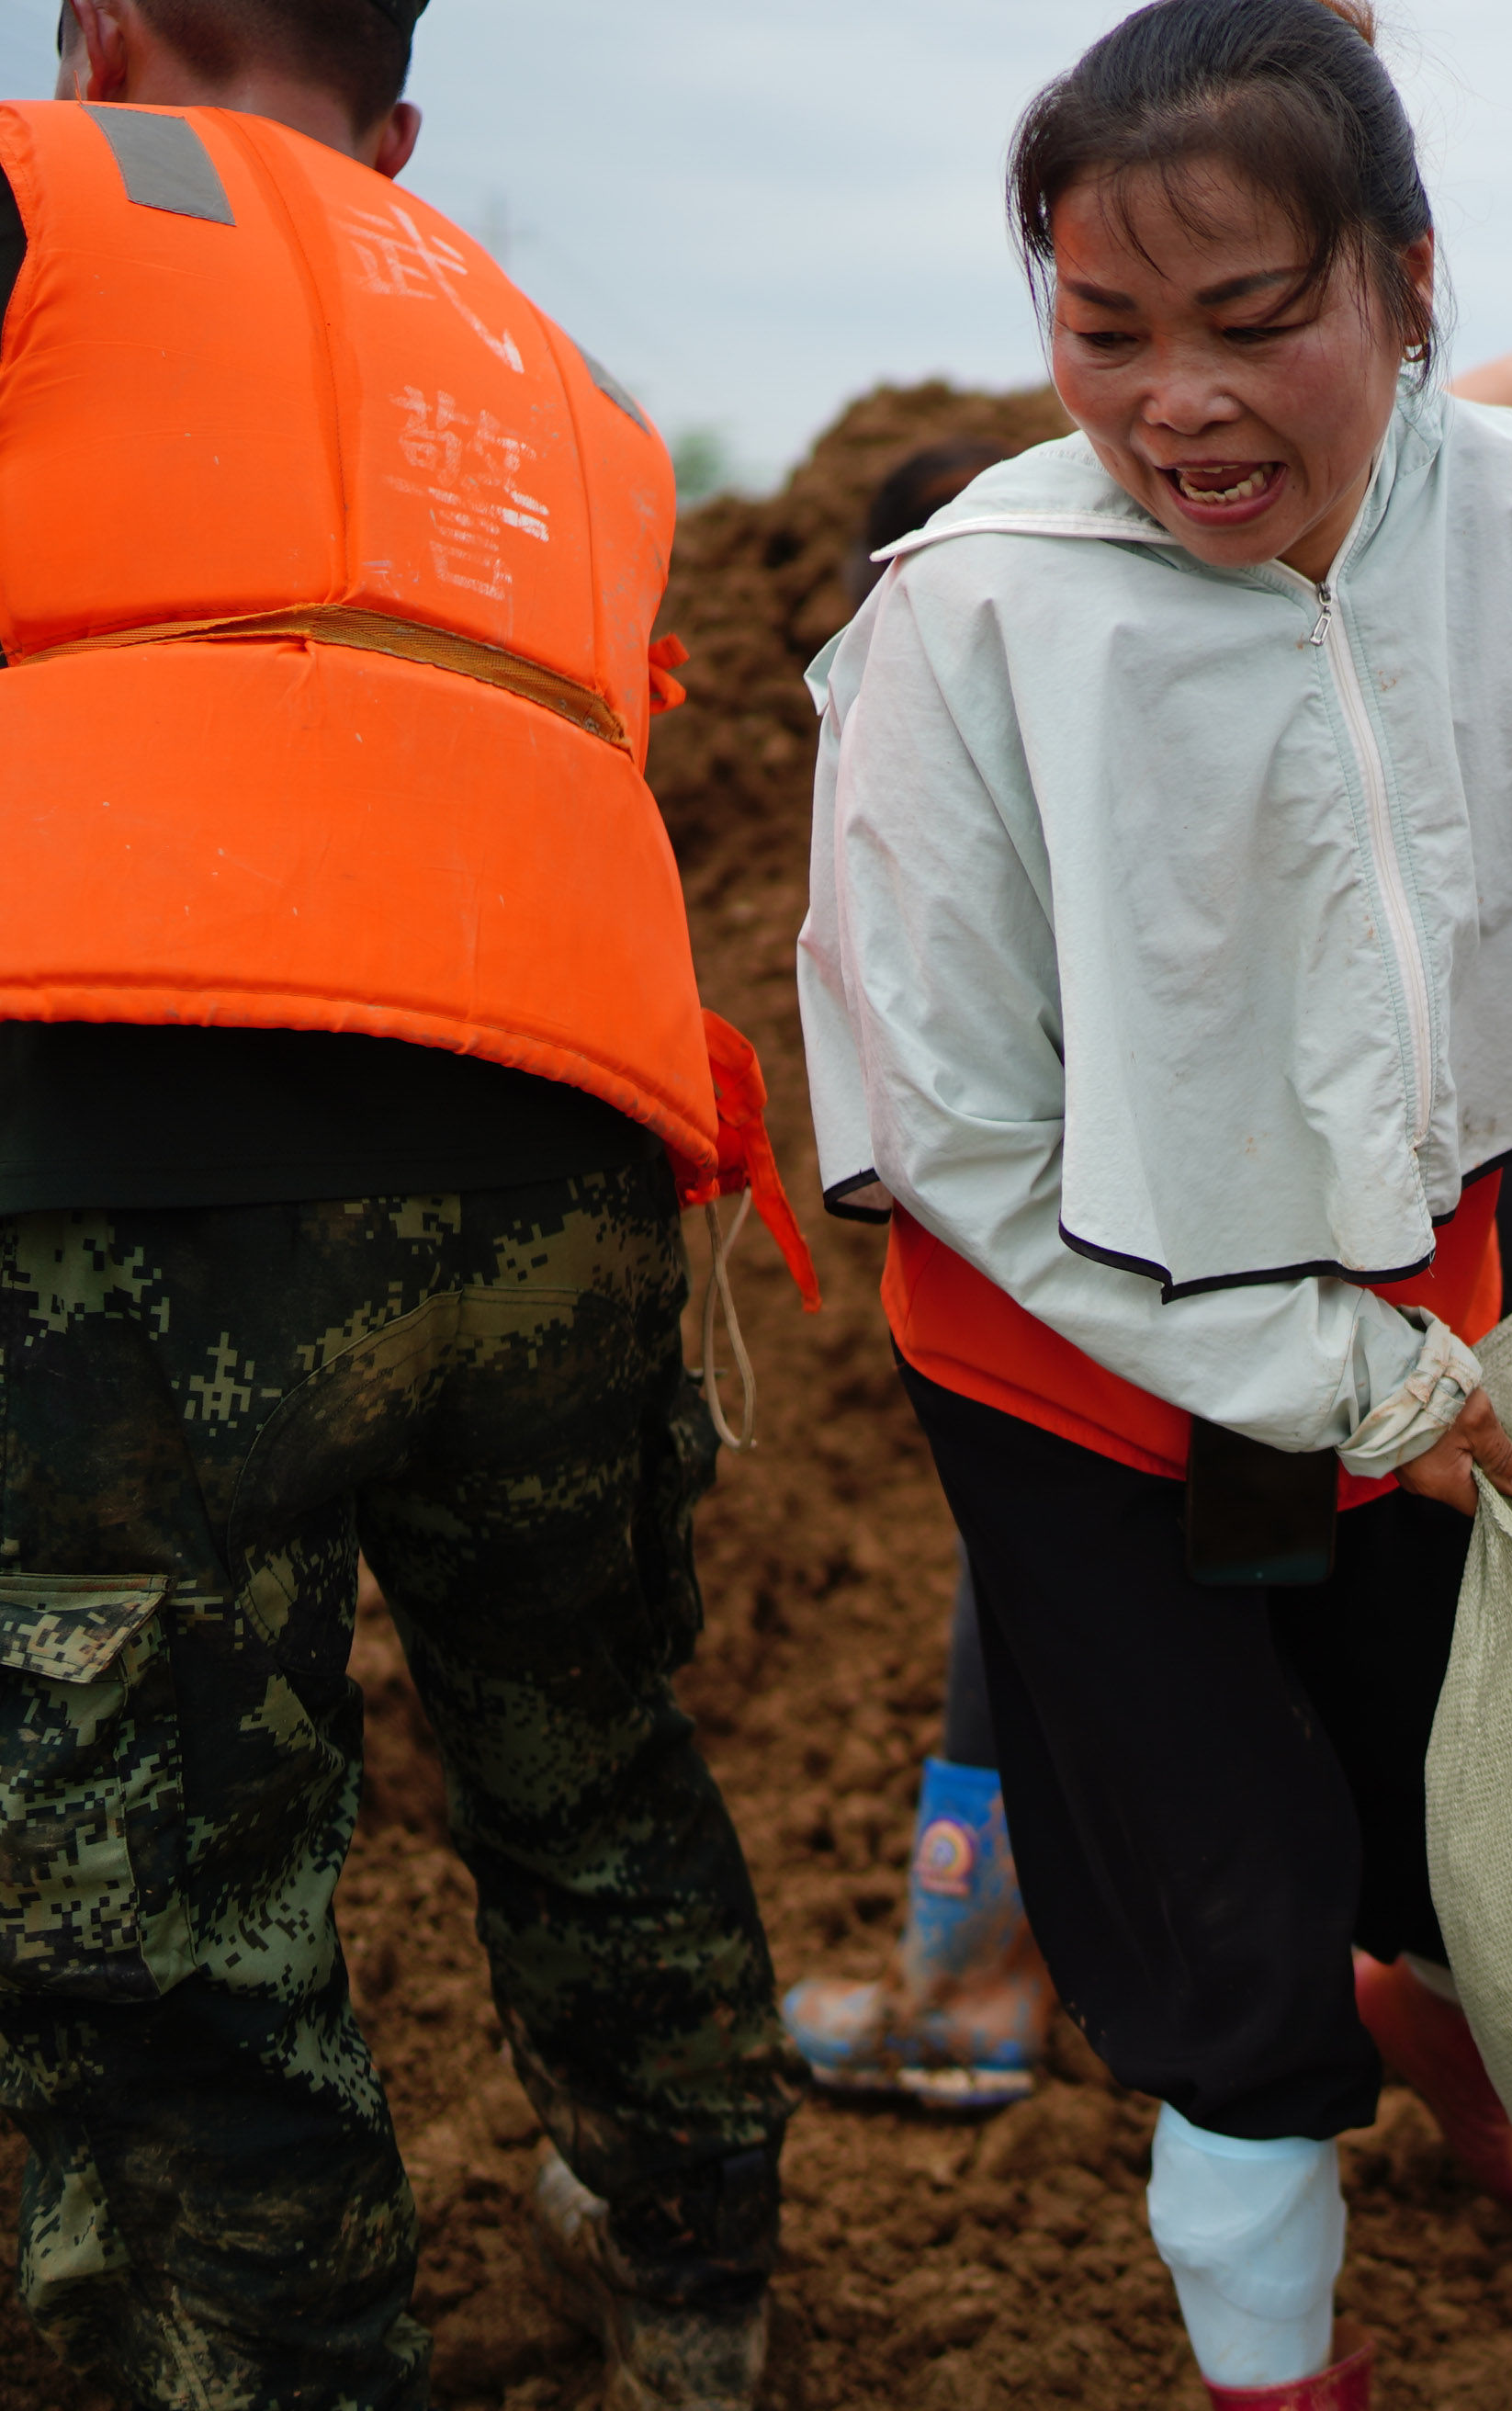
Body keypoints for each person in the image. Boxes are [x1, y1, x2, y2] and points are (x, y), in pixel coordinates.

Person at [793, 4, 1512, 2402]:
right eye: (1105, 331)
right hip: (1084, 1383)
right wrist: (1338, 1381)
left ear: (1409, 283)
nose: (1180, 405)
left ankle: (1470, 2059)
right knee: (1225, 1938)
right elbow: (952, 1138)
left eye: (1256, 323)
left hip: (1437, 1296)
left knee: (1462, 1798)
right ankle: (1283, 2358)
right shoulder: (968, 620)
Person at [0, 6, 815, 2407]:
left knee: (167, 1875)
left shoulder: (42, 195)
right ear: (404, 121)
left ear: (104, 39)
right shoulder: (566, 387)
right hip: (561, 1135)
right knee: (583, 1738)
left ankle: (270, 2359)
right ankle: (687, 2273)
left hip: (155, 1132)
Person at [787, 380, 1512, 2114]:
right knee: (1347, 1637)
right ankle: (1474, 2052)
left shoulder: (1420, 572)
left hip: (1366, 1250)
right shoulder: (1392, 591)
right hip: (1428, 1228)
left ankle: (1054, 1979)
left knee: (1176, 1603)